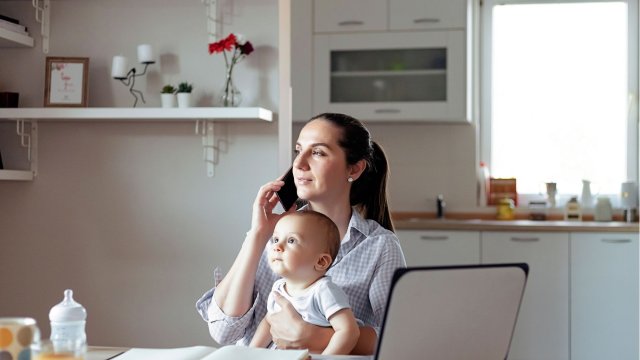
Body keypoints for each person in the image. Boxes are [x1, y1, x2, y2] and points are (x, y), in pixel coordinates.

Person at [195, 112, 406, 354]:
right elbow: (224, 331)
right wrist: (257, 235)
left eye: (318, 152)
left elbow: (395, 338)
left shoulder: (379, 246)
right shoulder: (274, 236)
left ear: (355, 169)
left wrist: (314, 336)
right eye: (298, 151)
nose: (299, 163)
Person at [249, 211, 360, 355]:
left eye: (291, 241)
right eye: (276, 239)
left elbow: (349, 331)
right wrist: (249, 353)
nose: (277, 247)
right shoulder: (279, 288)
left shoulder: (324, 291)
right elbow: (270, 320)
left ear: (321, 261)